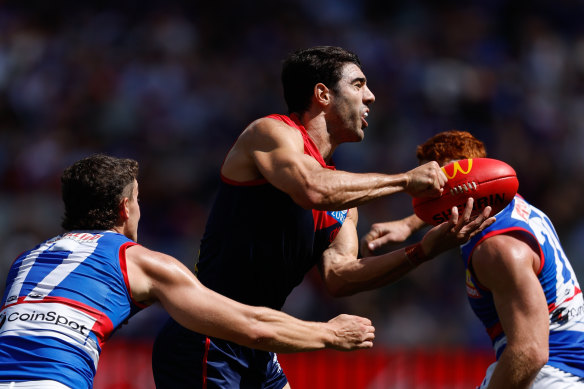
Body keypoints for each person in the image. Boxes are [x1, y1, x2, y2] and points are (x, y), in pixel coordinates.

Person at [152, 46, 495, 388]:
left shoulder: (345, 201)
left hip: (261, 341)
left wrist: (424, 250)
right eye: (359, 85)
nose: (371, 97)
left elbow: (340, 277)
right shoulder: (271, 133)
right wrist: (405, 180)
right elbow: (311, 188)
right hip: (205, 336)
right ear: (322, 94)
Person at [0, 154, 378, 389]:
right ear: (124, 209)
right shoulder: (141, 261)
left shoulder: (27, 259)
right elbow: (250, 326)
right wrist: (329, 334)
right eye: (137, 200)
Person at [361, 130, 584, 389]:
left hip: (550, 377)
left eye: (433, 187)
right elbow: (453, 202)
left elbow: (531, 353)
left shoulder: (496, 249)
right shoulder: (509, 203)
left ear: (465, 181)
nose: (426, 195)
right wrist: (408, 225)